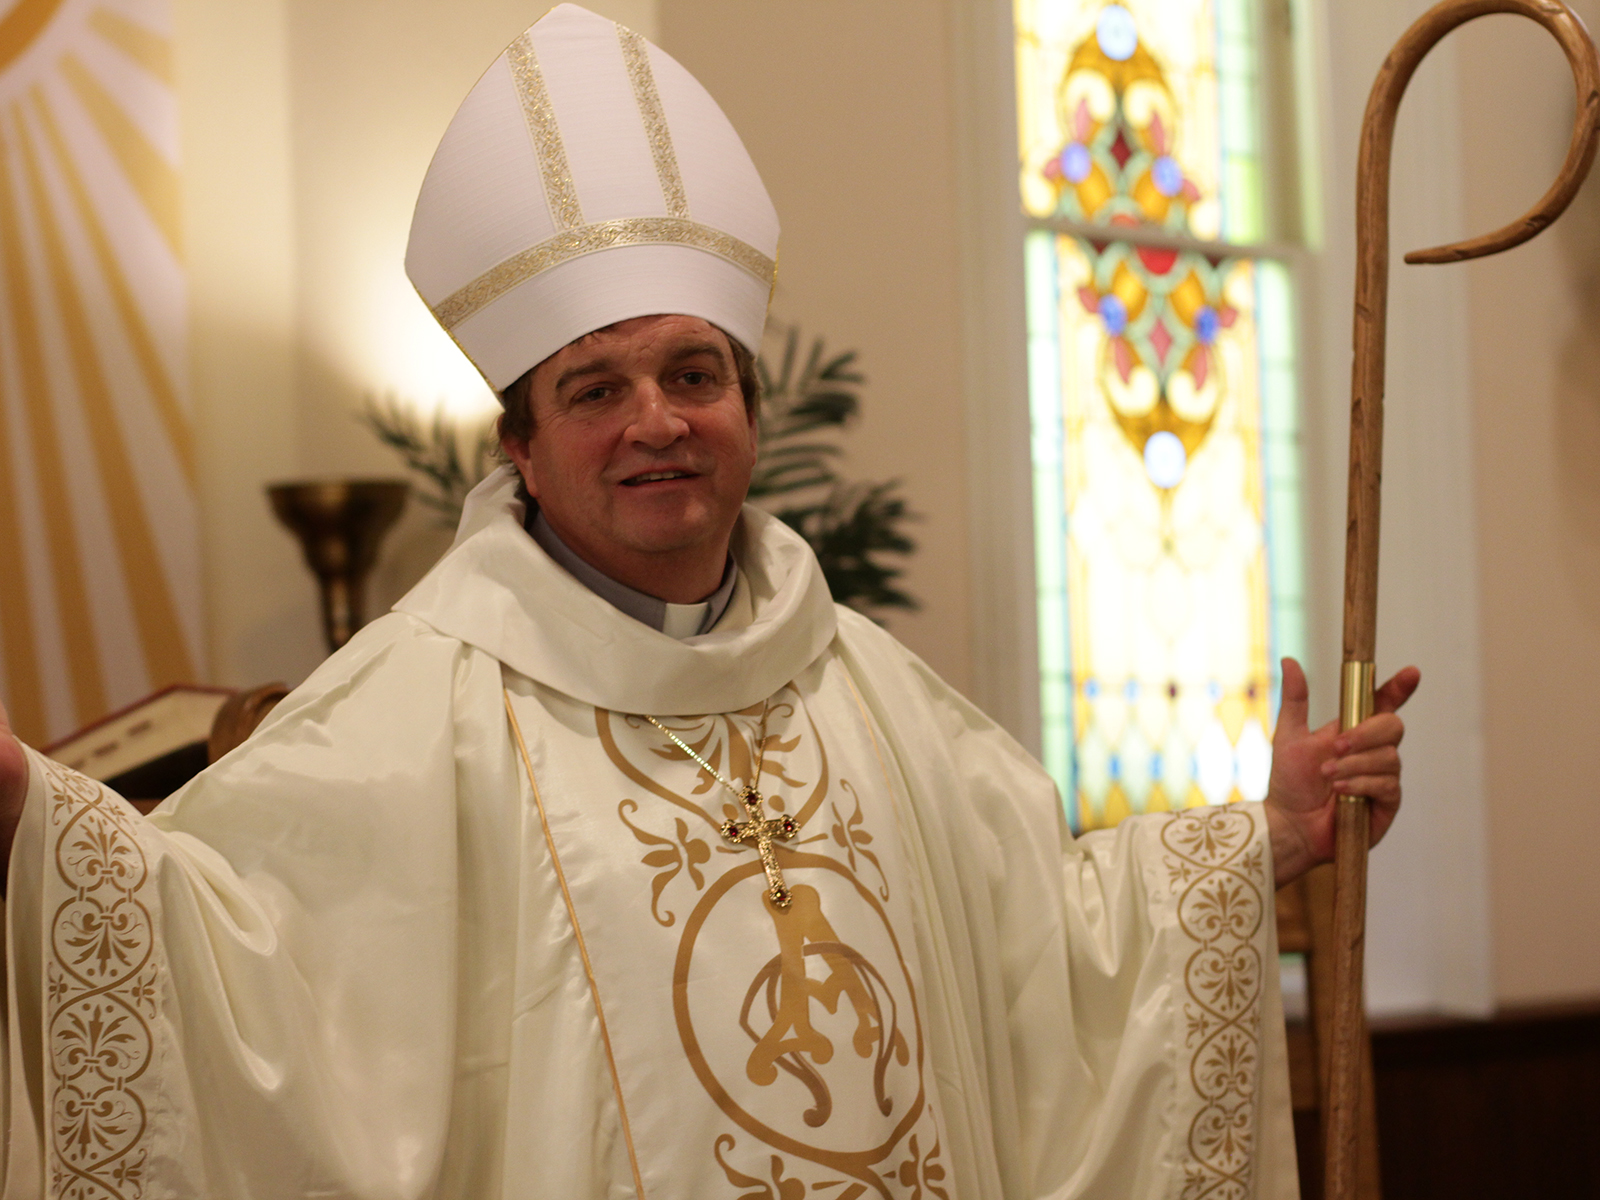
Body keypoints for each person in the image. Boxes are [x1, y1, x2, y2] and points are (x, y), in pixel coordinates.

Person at [0, 7, 1416, 1197]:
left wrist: (1262, 839)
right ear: (521, 448)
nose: (656, 423)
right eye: (595, 390)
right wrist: (30, 816)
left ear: (748, 404)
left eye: (692, 374)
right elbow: (233, 973)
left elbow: (1051, 949)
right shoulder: (407, 707)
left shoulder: (867, 684)